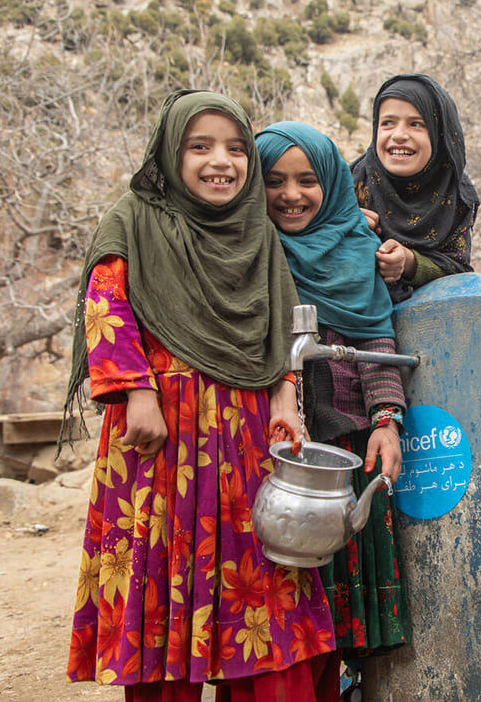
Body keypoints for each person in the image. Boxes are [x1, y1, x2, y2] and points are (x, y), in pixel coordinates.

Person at [63, 90, 339, 702]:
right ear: (172, 151)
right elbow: (105, 309)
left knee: (258, 590)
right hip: (158, 436)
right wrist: (135, 392)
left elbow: (285, 326)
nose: (222, 161)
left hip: (245, 433)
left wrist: (286, 398)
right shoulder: (131, 218)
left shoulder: (257, 234)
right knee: (165, 578)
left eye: (237, 149)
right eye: (201, 146)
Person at [256, 121, 411, 698]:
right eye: (274, 181)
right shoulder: (248, 251)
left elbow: (375, 340)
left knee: (342, 601)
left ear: (332, 185)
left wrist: (386, 422)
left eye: (307, 180)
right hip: (272, 450)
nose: (291, 195)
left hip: (344, 448)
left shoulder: (357, 248)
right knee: (280, 605)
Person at [350, 73, 480, 302]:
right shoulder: (351, 185)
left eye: (416, 124)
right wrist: (343, 224)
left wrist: (409, 262)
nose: (399, 135)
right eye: (387, 123)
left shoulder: (455, 196)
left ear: (440, 134)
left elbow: (457, 269)